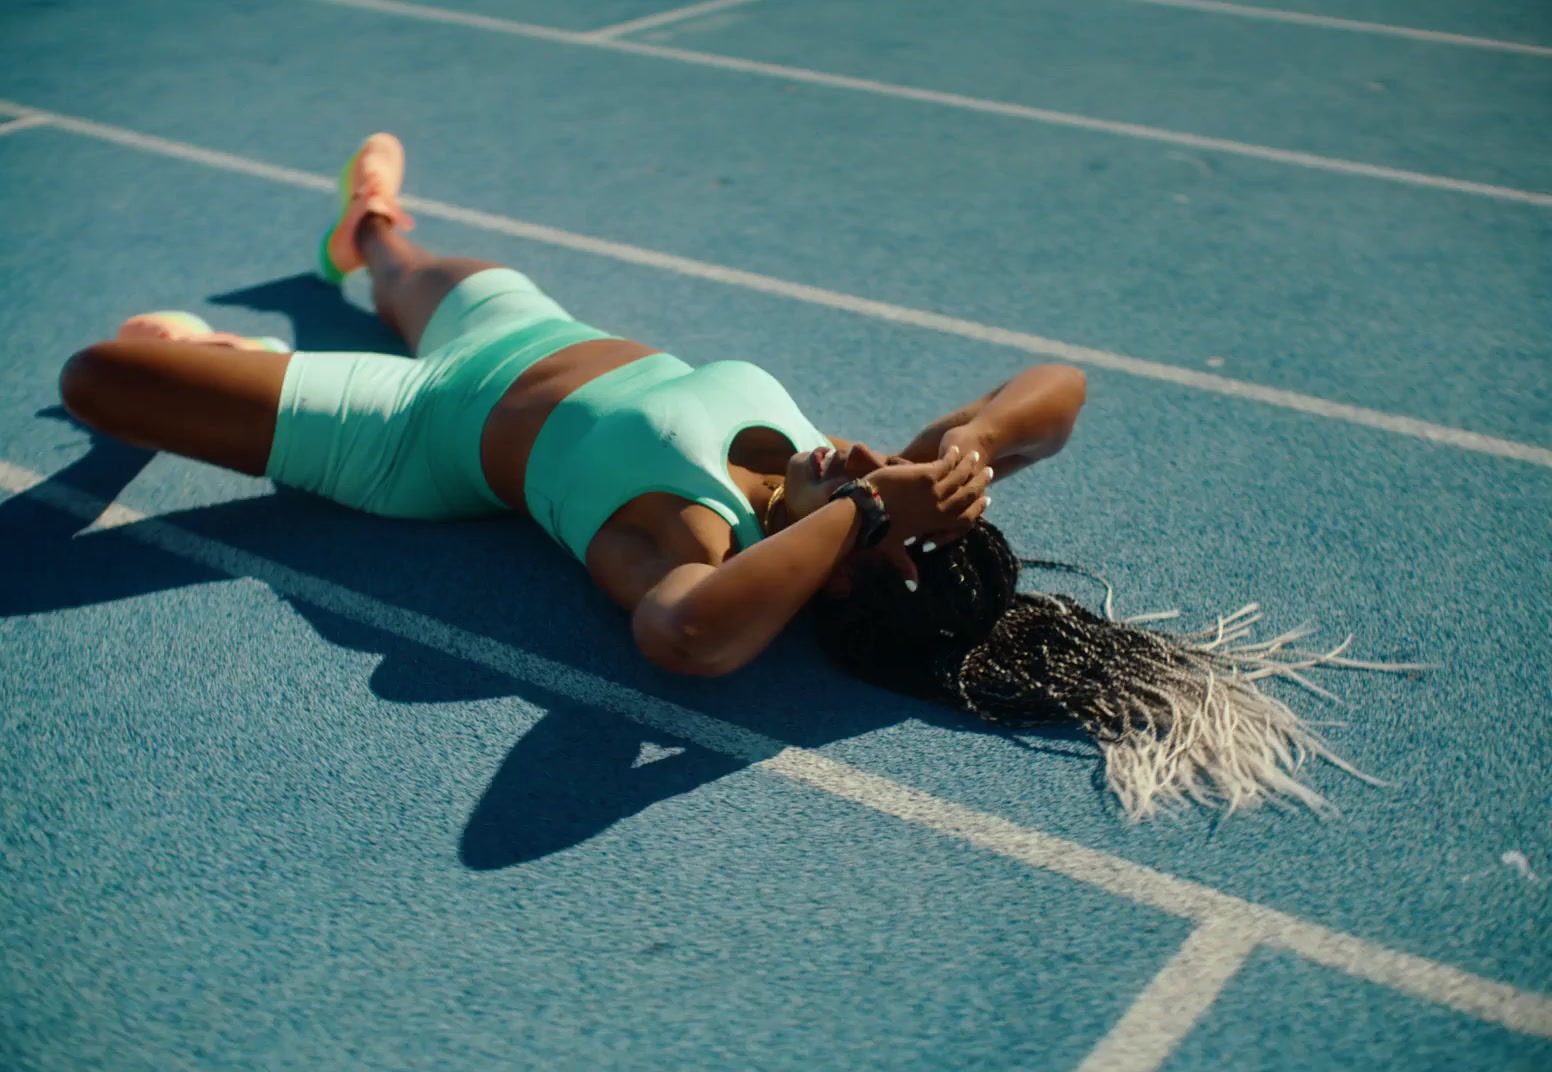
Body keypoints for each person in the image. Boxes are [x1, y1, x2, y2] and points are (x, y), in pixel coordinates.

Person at [58, 135, 1407, 821]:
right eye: (885, 479)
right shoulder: (840, 470)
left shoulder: (679, 539)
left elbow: (688, 638)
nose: (867, 464)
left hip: (409, 436)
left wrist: (868, 511)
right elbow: (1059, 385)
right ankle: (368, 226)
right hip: (524, 327)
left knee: (106, 380)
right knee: (392, 256)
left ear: (838, 566)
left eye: (872, 516)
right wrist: (965, 454)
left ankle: (214, 350)